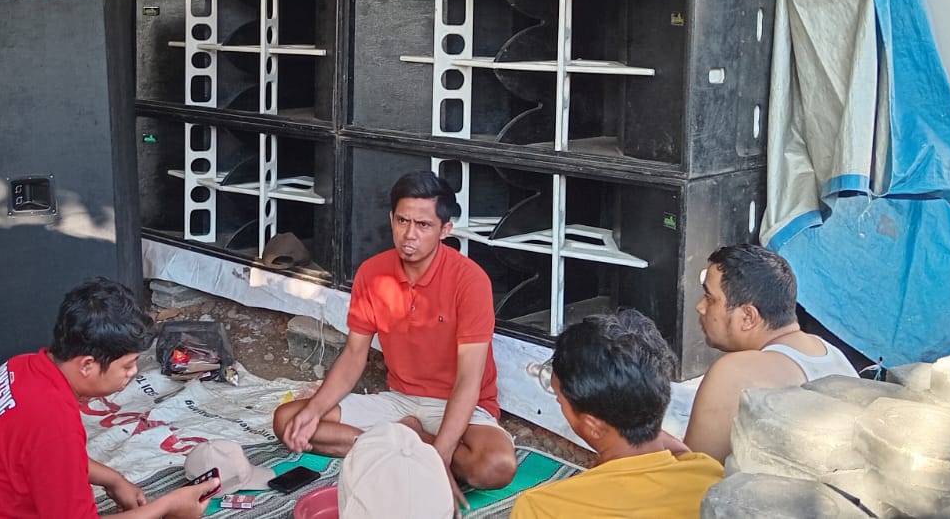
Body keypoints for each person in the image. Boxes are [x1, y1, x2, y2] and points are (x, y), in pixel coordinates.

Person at [274, 171, 518, 499]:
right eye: (402, 221)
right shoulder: (372, 273)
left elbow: (468, 381)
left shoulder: (470, 281)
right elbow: (353, 356)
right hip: (399, 402)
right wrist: (314, 410)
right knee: (289, 420)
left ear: (446, 229)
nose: (409, 235)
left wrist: (441, 454)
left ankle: (405, 447)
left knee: (496, 465)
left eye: (423, 225)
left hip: (457, 403)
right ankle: (403, 444)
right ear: (391, 219)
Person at [0, 277, 217, 519]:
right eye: (127, 365)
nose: (133, 373)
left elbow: (41, 456)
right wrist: (166, 506)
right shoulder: (53, 420)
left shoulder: (20, 366)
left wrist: (112, 479)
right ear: (87, 365)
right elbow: (51, 446)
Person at [511, 310, 722, 518]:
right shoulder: (710, 475)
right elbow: (683, 455)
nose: (561, 406)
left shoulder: (541, 508)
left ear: (593, 425)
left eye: (560, 400)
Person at [683, 243, 857, 462]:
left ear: (748, 317)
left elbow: (692, 476)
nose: (700, 307)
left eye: (710, 298)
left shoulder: (734, 373)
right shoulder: (831, 353)